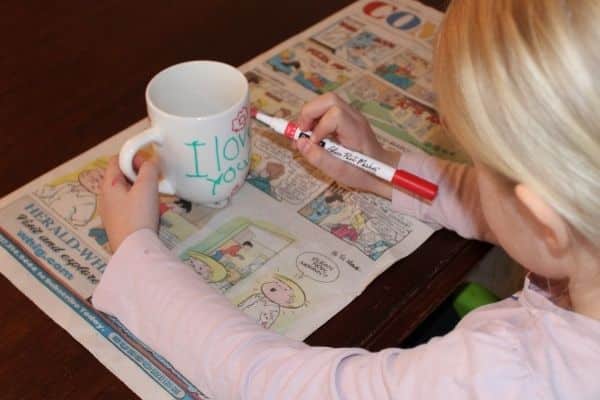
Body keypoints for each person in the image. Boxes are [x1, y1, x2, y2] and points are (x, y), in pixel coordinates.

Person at [93, 0, 600, 398]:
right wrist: (382, 171)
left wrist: (136, 249)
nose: (475, 175)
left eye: (481, 162)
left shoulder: (507, 376)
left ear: (545, 221)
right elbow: (520, 210)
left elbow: (271, 385)